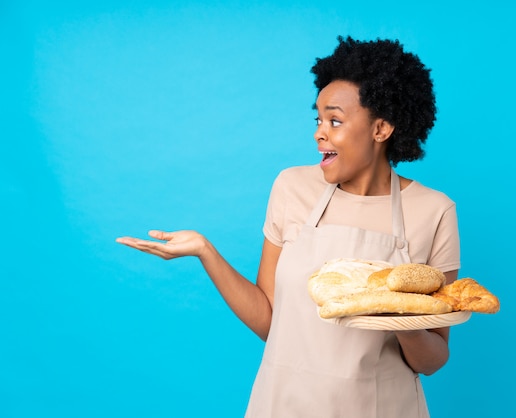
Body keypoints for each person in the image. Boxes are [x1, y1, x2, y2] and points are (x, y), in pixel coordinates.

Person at [117, 36, 460, 417]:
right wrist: (205, 251)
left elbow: (433, 359)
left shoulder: (433, 211)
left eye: (335, 120)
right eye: (318, 119)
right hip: (285, 403)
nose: (319, 132)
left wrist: (400, 317)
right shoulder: (292, 188)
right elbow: (271, 322)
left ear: (381, 129)